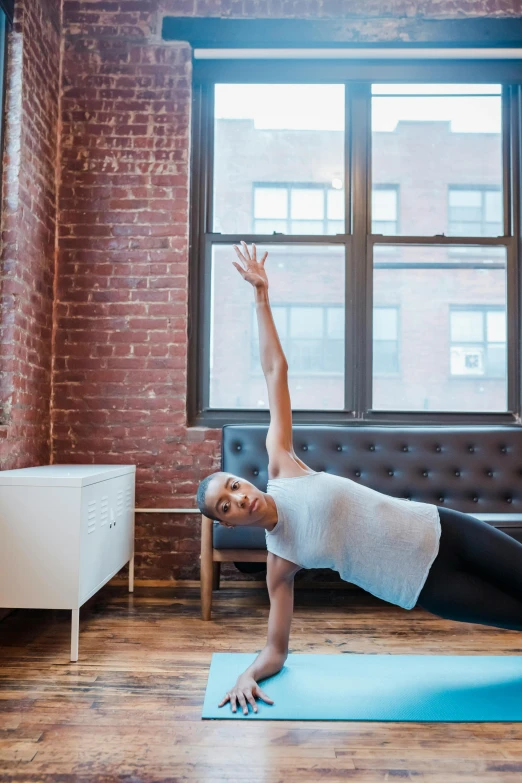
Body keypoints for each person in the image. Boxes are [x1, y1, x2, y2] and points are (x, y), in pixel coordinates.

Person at [197, 240, 522, 717]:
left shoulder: (283, 464)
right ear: (227, 524)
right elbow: (276, 650)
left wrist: (261, 297)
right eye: (225, 506)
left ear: (243, 481)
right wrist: (248, 674)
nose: (238, 498)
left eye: (233, 486)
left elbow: (274, 371)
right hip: (425, 586)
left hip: (442, 529)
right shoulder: (280, 562)